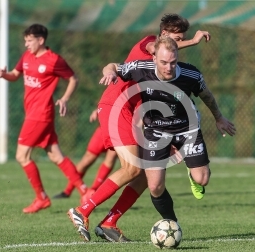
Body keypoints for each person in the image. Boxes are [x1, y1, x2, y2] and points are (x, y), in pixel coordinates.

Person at [67, 14, 212, 242]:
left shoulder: (165, 65)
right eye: (175, 39)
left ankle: (109, 223)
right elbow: (157, 48)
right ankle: (82, 210)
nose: (176, 45)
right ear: (163, 36)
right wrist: (193, 42)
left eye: (180, 40)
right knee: (133, 169)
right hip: (118, 107)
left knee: (144, 175)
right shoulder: (150, 43)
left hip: (130, 111)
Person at [97, 36, 236, 241]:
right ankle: (173, 223)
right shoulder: (140, 68)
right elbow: (113, 66)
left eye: (172, 62)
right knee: (154, 186)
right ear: (154, 59)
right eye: (163, 62)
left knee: (202, 179)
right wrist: (109, 71)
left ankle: (192, 171)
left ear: (177, 58)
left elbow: (207, 96)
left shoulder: (190, 74)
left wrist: (219, 118)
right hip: (156, 131)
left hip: (187, 129)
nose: (169, 67)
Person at [0, 24, 88, 213]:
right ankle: (84, 190)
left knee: (21, 155)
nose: (26, 44)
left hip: (41, 115)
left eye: (29, 40)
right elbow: (14, 75)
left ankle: (41, 198)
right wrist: (4, 75)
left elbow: (73, 78)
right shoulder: (27, 57)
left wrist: (64, 98)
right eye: (25, 40)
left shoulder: (54, 60)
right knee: (55, 155)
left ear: (41, 40)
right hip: (32, 114)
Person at [53, 108, 117, 199]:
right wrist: (98, 110)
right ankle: (67, 191)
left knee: (111, 158)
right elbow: (109, 98)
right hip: (104, 128)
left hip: (120, 130)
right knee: (86, 160)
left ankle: (93, 192)